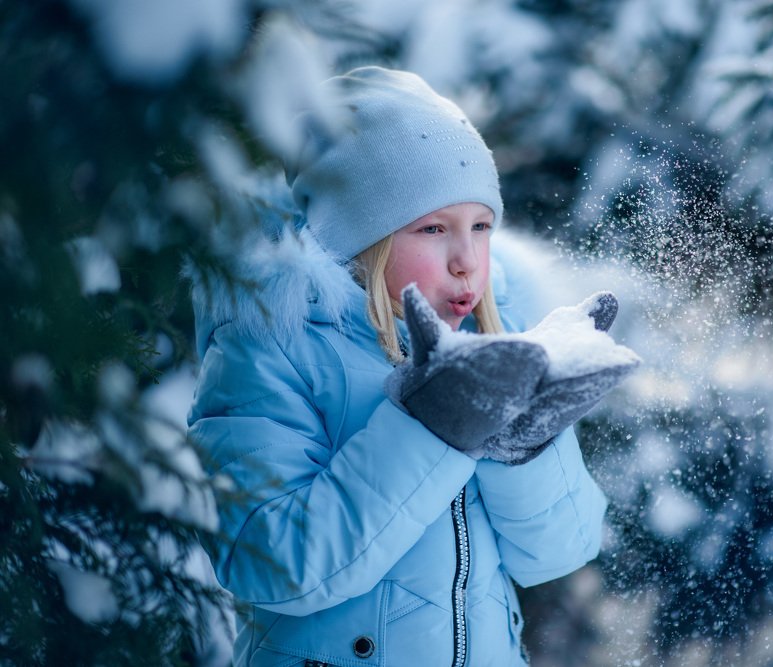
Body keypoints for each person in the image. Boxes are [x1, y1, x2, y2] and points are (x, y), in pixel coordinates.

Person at [187, 66, 634, 667]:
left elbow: (557, 554)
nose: (466, 260)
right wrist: (430, 428)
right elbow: (270, 564)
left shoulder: (493, 346)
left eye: (481, 226)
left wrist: (526, 446)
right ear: (357, 238)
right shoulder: (272, 350)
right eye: (433, 228)